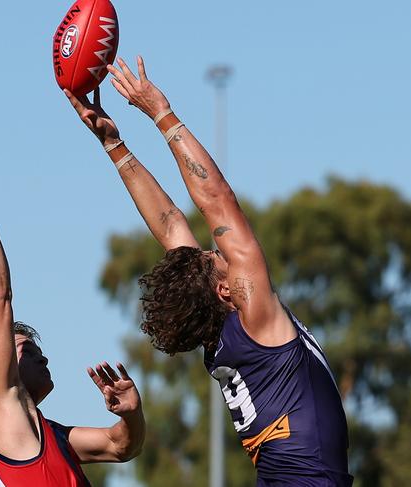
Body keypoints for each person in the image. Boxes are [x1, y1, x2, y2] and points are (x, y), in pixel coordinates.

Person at [63, 56, 353, 486]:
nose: (216, 248)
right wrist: (161, 113)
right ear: (223, 291)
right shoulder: (256, 319)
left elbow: (170, 226)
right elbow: (218, 201)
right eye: (214, 257)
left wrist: (114, 144)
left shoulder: (221, 338)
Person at [0, 136, 145, 486]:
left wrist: (132, 414)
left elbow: (121, 446)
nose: (43, 359)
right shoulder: (0, 407)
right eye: (27, 351)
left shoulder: (49, 434)